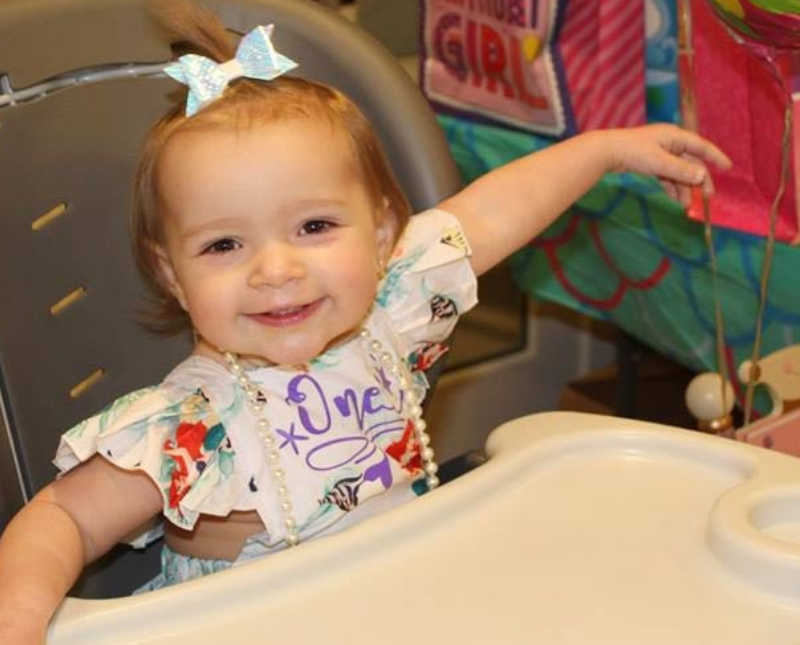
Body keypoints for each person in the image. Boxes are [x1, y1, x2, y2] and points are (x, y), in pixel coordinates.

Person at [0, 2, 731, 642]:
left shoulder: (395, 310)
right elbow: (62, 517)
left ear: (384, 236)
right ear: (171, 274)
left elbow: (491, 213)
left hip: (409, 603)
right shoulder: (189, 429)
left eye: (314, 226)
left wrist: (601, 151)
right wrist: (19, 616)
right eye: (225, 244)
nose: (275, 268)